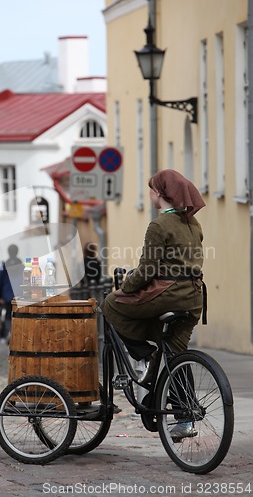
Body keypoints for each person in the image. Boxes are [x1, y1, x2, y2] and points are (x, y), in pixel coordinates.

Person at [101, 169, 206, 440]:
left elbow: (147, 270)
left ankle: (143, 352)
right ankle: (184, 418)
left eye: (151, 189)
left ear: (160, 193)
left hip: (169, 293)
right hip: (194, 297)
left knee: (111, 304)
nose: (149, 193)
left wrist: (125, 286)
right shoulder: (193, 224)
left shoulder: (159, 225)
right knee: (175, 354)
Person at [0, 244, 23, 343]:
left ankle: (9, 333)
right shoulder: (21, 264)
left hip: (6, 295)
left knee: (7, 315)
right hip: (19, 294)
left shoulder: (4, 265)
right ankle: (17, 334)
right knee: (18, 315)